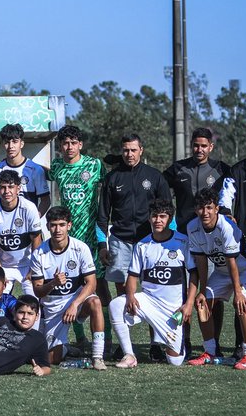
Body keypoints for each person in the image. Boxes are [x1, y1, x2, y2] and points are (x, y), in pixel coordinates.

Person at [163, 127, 232, 354]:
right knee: (183, 293)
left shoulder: (221, 169)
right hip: (183, 240)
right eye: (195, 145)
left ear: (211, 147)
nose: (199, 149)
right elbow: (155, 182)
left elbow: (244, 177)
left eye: (204, 146)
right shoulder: (178, 168)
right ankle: (185, 340)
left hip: (211, 240)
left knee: (212, 294)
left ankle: (214, 341)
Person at [108, 199, 198, 368]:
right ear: (149, 218)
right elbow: (133, 275)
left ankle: (172, 344)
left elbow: (194, 274)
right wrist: (130, 296)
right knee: (116, 305)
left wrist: (189, 303)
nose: (158, 220)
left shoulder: (183, 242)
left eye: (162, 216)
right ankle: (129, 355)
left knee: (175, 361)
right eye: (154, 216)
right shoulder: (142, 245)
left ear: (170, 219)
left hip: (172, 310)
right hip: (148, 301)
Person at [185, 189, 246, 369]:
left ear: (217, 208)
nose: (205, 212)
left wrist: (238, 292)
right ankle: (211, 352)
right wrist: (203, 291)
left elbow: (232, 262)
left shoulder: (226, 226)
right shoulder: (192, 227)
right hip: (222, 270)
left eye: (209, 208)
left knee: (241, 303)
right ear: (195, 209)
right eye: (201, 208)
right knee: (202, 303)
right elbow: (201, 261)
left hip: (245, 269)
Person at [47, 125, 110, 343]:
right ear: (60, 146)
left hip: (92, 236)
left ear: (80, 145)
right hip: (67, 238)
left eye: (73, 143)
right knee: (71, 285)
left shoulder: (95, 165)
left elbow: (109, 190)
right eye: (65, 143)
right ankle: (81, 337)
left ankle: (107, 339)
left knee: (100, 286)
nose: (69, 147)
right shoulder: (56, 166)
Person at [30, 205, 106, 368]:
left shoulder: (80, 248)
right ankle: (65, 349)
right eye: (53, 225)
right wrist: (53, 283)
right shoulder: (39, 253)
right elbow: (37, 291)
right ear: (47, 226)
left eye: (62, 225)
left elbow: (92, 283)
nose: (58, 230)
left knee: (95, 302)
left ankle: (97, 356)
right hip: (52, 307)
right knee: (50, 359)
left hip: (76, 302)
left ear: (69, 226)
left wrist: (75, 304)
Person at [97, 134, 172, 294]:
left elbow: (168, 211)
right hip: (120, 240)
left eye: (133, 150)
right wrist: (102, 246)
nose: (129, 154)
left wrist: (168, 240)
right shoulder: (112, 178)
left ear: (141, 150)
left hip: (149, 240)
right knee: (122, 289)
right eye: (126, 150)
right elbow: (102, 215)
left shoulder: (154, 176)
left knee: (152, 287)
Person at [0, 169, 43, 294]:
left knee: (33, 299)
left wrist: (33, 269)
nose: (7, 191)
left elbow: (36, 239)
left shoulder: (29, 207)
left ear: (18, 189)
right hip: (3, 265)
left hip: (27, 264)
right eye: (3, 187)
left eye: (11, 187)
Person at [0, 123, 50, 214]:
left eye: (15, 141)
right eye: (7, 142)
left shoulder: (35, 169)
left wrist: (34, 219)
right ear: (3, 144)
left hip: (27, 221)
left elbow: (45, 201)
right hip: (2, 220)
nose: (11, 146)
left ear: (21, 144)